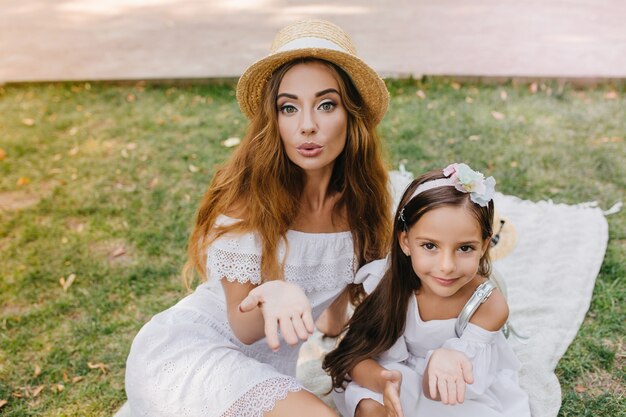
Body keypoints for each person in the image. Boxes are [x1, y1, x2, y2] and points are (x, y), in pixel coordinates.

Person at [124, 19, 393, 417]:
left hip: (267, 374)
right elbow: (243, 329)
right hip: (192, 353)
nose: (307, 126)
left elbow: (336, 315)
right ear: (274, 119)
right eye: (289, 107)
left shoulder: (361, 204)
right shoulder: (248, 201)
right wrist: (273, 292)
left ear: (351, 115)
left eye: (326, 104)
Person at [323, 163, 532, 417]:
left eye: (465, 248)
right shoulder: (384, 283)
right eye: (430, 246)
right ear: (406, 242)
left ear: (484, 246)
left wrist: (443, 359)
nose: (446, 267)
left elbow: (445, 391)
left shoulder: (488, 306)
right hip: (395, 376)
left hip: (457, 392)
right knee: (368, 405)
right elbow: (354, 357)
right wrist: (384, 381)